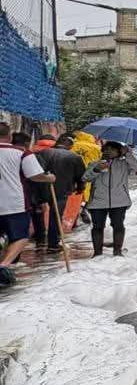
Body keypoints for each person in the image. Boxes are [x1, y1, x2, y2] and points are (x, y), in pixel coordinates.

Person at [0, 122, 55, 285]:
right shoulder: (22, 152)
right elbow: (34, 176)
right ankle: (4, 265)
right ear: (9, 136)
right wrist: (49, 178)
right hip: (14, 203)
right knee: (20, 236)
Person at [84, 141, 137, 256]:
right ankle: (97, 253)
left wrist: (127, 153)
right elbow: (85, 178)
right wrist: (96, 170)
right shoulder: (94, 164)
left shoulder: (124, 164)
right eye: (106, 149)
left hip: (119, 201)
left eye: (112, 149)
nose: (109, 151)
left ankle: (117, 251)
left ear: (119, 151)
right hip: (97, 202)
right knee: (97, 227)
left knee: (118, 225)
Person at [32, 133, 85, 252]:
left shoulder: (42, 153)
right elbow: (81, 176)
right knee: (55, 216)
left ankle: (40, 240)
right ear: (70, 145)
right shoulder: (75, 157)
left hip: (41, 188)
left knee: (38, 213)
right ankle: (53, 243)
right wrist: (81, 188)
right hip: (62, 190)